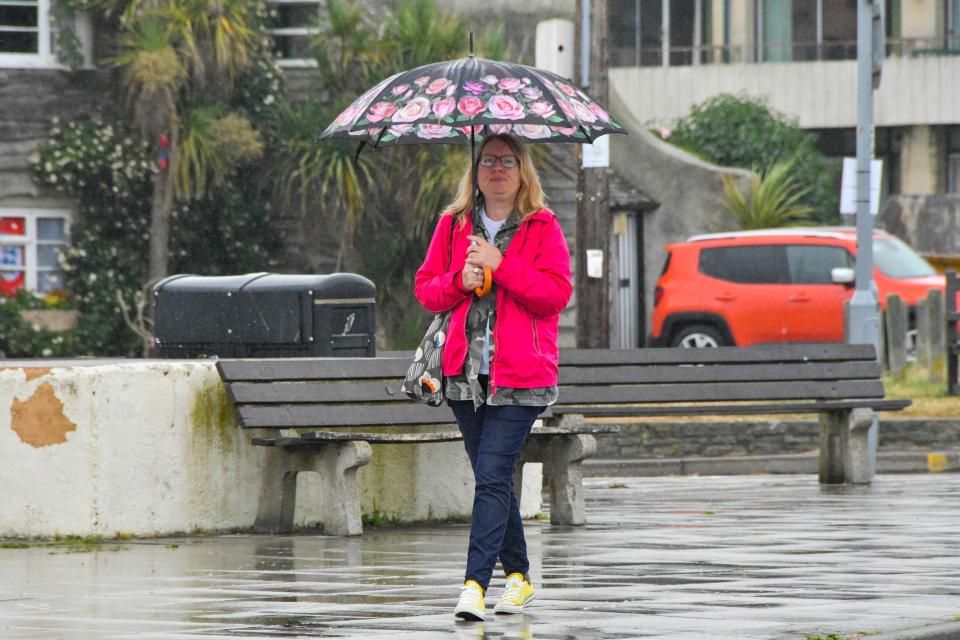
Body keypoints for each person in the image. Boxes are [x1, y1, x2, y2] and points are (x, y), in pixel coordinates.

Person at [413, 133, 573, 621]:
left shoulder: (542, 227)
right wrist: (456, 281)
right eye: (487, 161)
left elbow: (554, 297)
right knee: (493, 477)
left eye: (507, 161)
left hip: (521, 378)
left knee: (490, 477)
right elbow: (426, 291)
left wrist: (501, 266)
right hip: (465, 376)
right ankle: (520, 578)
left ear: (523, 170)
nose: (497, 169)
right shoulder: (453, 225)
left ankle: (475, 586)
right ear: (475, 171)